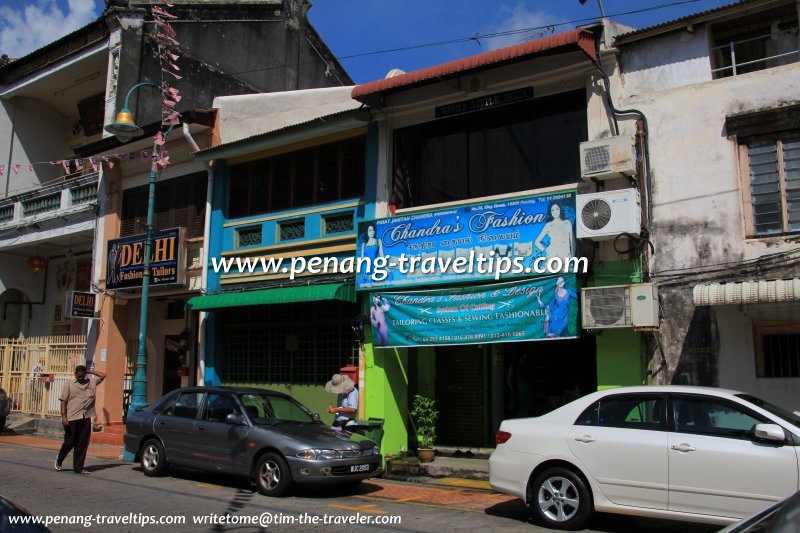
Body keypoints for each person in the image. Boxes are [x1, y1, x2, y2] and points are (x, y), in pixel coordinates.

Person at [55, 365, 106, 474]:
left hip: (86, 416)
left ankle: (78, 467)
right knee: (70, 442)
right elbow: (63, 401)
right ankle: (59, 459)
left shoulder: (91, 382)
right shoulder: (69, 385)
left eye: (82, 376)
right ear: (75, 374)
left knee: (82, 443)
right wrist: (64, 416)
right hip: (72, 417)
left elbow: (103, 375)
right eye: (79, 376)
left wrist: (89, 371)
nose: (81, 378)